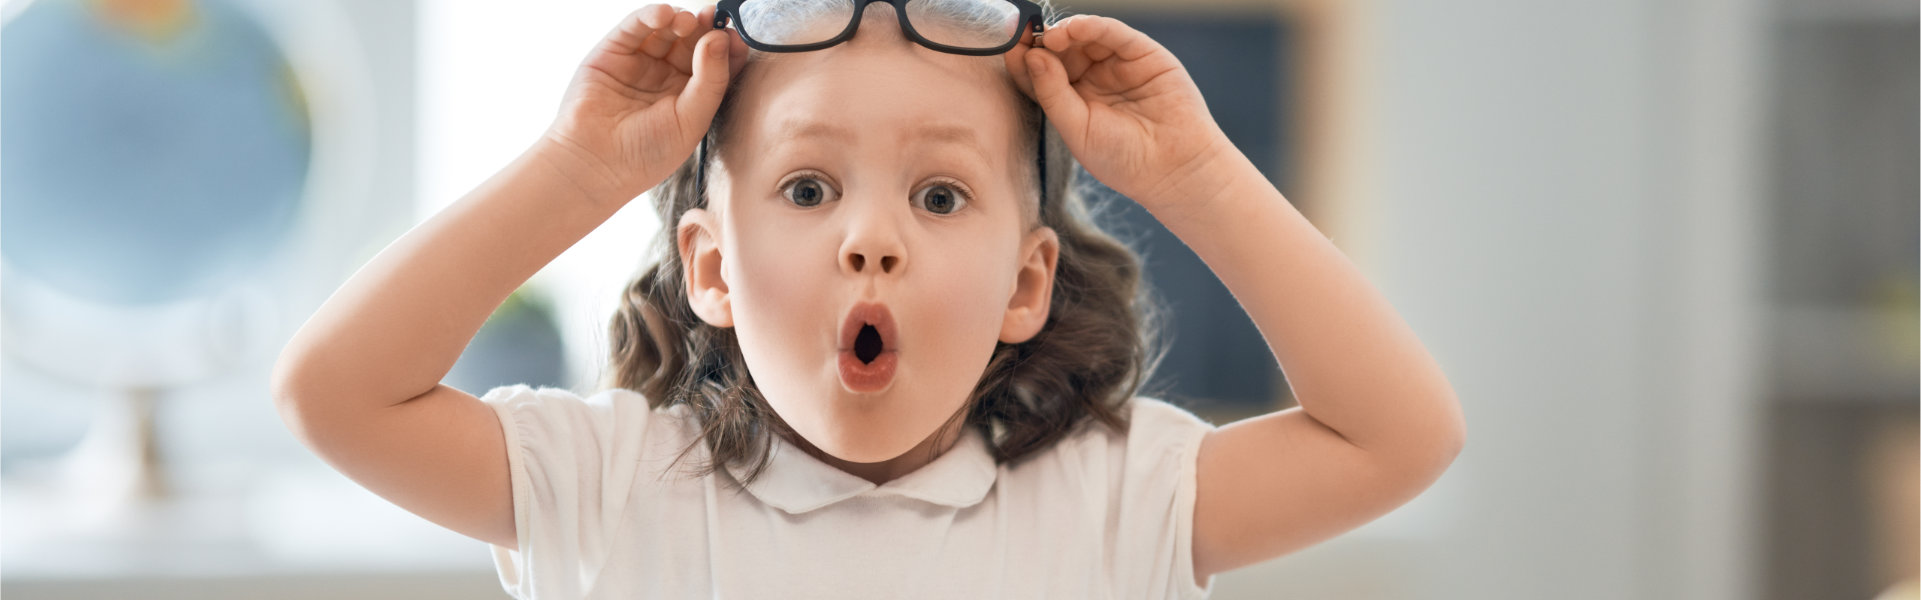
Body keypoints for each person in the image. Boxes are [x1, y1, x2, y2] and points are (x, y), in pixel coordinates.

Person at [270, 1, 1466, 598]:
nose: (871, 242)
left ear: (1026, 281)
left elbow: (1401, 437)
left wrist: (1195, 176)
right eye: (805, 187)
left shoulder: (1117, 499)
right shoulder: (603, 487)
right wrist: (582, 168)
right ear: (712, 268)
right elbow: (334, 393)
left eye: (941, 196)